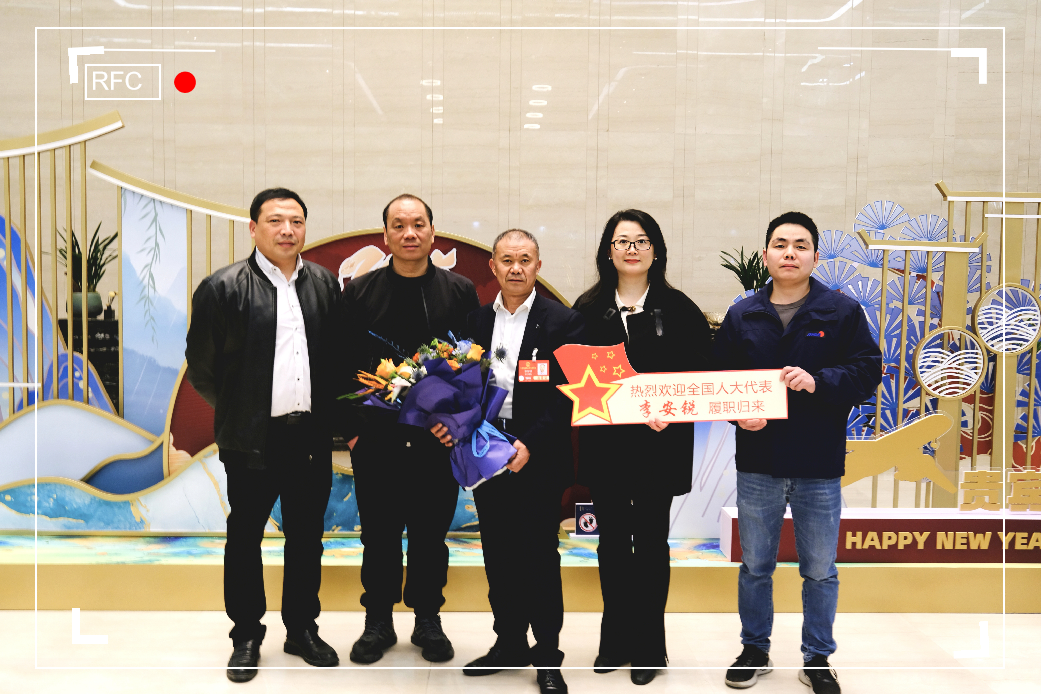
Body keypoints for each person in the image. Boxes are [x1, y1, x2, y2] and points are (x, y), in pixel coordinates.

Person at [713, 212, 882, 695]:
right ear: (766, 254)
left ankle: (818, 657)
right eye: (781, 244)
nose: (790, 253)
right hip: (759, 460)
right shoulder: (743, 314)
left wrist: (819, 381)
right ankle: (754, 649)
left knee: (820, 569)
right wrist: (738, 414)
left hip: (817, 462)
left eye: (800, 245)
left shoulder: (841, 311)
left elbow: (868, 370)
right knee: (755, 565)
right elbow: (720, 378)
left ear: (814, 255)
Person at [185, 188, 343, 682]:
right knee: (245, 538)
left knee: (306, 538)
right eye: (275, 220)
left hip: (309, 437)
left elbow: (334, 359)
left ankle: (302, 629)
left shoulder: (324, 284)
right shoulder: (223, 287)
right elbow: (202, 369)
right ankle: (247, 635)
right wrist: (242, 410)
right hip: (251, 439)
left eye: (296, 221)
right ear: (253, 228)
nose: (287, 230)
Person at [572, 209, 714, 685]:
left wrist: (672, 408)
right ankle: (614, 639)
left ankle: (651, 646)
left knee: (652, 542)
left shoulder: (680, 308)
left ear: (656, 250)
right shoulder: (587, 309)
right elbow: (572, 373)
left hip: (660, 443)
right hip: (607, 446)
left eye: (641, 240)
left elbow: (701, 371)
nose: (631, 249)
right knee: (611, 543)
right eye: (622, 241)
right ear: (607, 251)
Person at [341, 193, 480, 664]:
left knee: (429, 535)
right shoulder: (360, 293)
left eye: (418, 224)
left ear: (432, 232)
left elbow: (471, 365)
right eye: (399, 225)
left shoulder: (459, 291)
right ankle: (377, 621)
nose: (409, 234)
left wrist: (455, 423)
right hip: (376, 439)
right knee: (378, 535)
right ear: (385, 236)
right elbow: (341, 364)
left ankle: (428, 619)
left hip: (434, 441)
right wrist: (355, 432)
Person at [451, 229, 585, 695]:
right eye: (507, 259)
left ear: (538, 266)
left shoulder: (563, 321)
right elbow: (460, 386)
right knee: (498, 553)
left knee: (539, 556)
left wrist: (530, 443)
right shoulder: (473, 322)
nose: (516, 268)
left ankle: (547, 655)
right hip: (486, 453)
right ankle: (508, 643)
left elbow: (568, 394)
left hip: (538, 455)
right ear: (492, 266)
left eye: (525, 259)